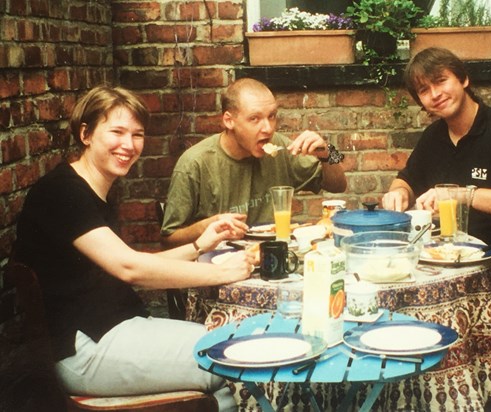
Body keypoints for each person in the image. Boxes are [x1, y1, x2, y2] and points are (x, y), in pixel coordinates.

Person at [14, 85, 255, 411]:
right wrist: (222, 271)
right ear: (86, 134)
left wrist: (200, 244)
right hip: (85, 350)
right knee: (235, 357)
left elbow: (131, 267)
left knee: (236, 350)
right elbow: (131, 268)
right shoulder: (63, 192)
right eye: (117, 132)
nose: (128, 145)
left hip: (115, 332)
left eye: (137, 135)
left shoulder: (91, 191)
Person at [382, 47, 491, 316]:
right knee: (392, 282)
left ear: (463, 79)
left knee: (438, 297)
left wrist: (463, 195)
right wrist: (397, 193)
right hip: (451, 259)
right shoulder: (434, 137)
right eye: (424, 90)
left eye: (440, 81)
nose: (435, 94)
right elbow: (405, 180)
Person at [161, 78, 347, 248]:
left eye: (272, 116)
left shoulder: (279, 146)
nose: (267, 128)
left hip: (272, 254)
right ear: (229, 121)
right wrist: (208, 225)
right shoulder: (194, 163)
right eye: (254, 119)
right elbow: (168, 239)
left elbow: (338, 185)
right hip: (215, 266)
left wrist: (327, 151)